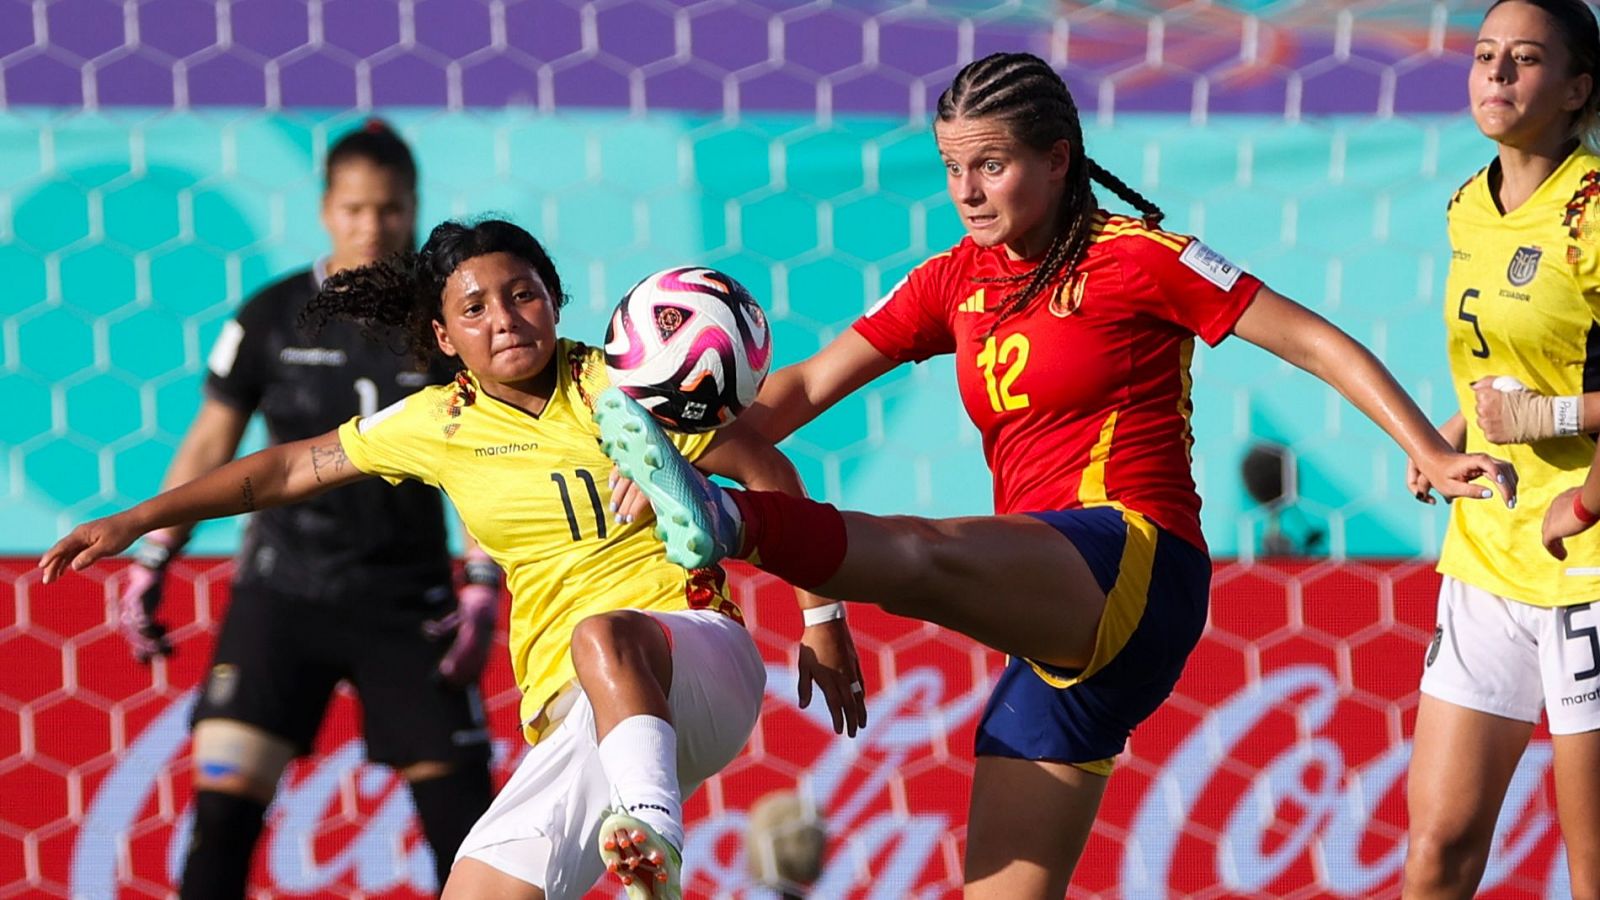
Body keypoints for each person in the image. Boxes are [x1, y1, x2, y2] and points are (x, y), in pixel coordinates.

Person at [594, 51, 1518, 899]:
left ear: (1058, 159)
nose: (967, 190)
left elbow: (1314, 341)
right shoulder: (953, 280)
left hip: (1134, 556)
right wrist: (676, 451)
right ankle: (716, 510)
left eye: (991, 165)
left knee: (924, 553)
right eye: (952, 167)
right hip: (1051, 617)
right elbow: (798, 388)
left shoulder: (1140, 258)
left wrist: (1429, 448)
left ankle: (733, 523)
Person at [40, 218, 867, 900]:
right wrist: (139, 519)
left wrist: (822, 618)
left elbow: (764, 467)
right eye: (475, 307)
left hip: (694, 659)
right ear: (442, 336)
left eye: (523, 294)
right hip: (579, 717)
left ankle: (654, 837)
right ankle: (651, 841)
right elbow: (287, 469)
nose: (504, 317)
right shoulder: (436, 423)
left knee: (605, 635)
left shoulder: (624, 385)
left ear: (555, 300)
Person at [109, 121, 497, 897]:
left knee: (472, 845)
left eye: (389, 209)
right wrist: (155, 554)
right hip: (284, 591)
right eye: (354, 209)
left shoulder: (451, 318)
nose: (371, 226)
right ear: (325, 210)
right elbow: (210, 442)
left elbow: (490, 455)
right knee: (220, 822)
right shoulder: (272, 314)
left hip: (410, 603)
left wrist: (483, 582)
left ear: (415, 207)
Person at [1399, 2, 1600, 896]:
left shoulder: (1593, 210)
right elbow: (1516, 359)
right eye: (1486, 55)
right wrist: (1456, 431)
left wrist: (1569, 473)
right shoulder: (1466, 206)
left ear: (1577, 90)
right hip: (1488, 549)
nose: (1498, 74)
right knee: (1438, 847)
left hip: (1587, 558)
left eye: (1524, 58)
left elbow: (1546, 401)